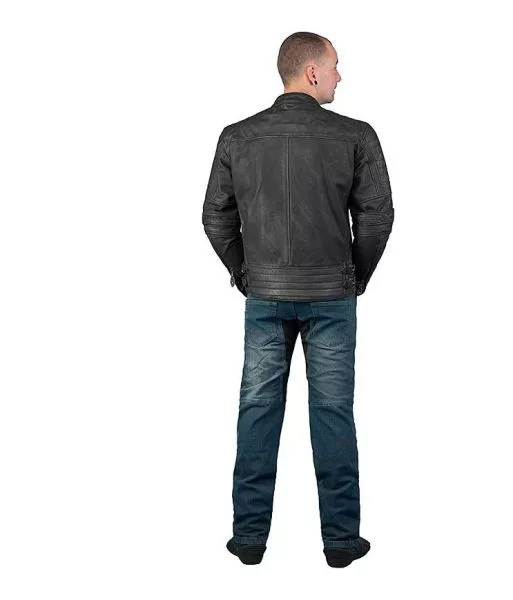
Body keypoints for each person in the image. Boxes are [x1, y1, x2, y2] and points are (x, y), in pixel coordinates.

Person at [202, 31, 394, 567]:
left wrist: (244, 271)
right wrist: (355, 275)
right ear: (311, 72)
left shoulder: (237, 137)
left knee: (257, 411)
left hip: (265, 294)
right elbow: (378, 215)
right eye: (334, 66)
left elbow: (214, 216)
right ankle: (341, 542)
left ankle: (248, 539)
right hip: (332, 295)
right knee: (332, 414)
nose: (339, 76)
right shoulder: (356, 136)